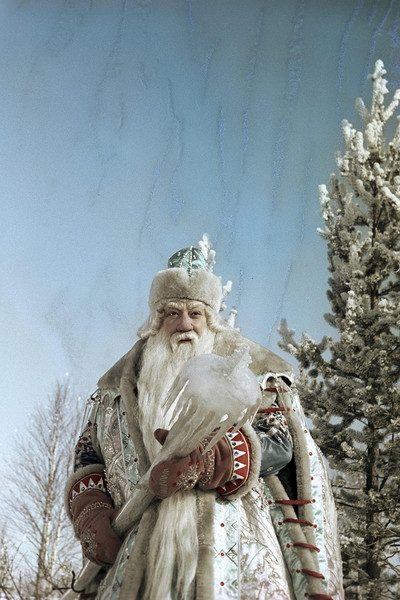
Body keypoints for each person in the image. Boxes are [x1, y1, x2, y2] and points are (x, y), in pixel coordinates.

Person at [65, 246, 344, 600]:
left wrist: (210, 460)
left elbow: (281, 443)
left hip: (233, 551)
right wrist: (91, 510)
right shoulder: (116, 390)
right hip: (138, 557)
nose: (184, 324)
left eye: (195, 313)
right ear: (156, 321)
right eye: (172, 312)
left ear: (210, 318)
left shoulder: (254, 372)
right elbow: (89, 453)